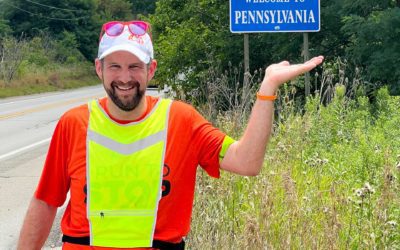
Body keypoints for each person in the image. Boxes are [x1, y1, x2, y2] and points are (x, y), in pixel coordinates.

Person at [17, 20, 323, 250]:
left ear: (151, 70)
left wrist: (267, 89)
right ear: (99, 68)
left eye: (135, 66)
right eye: (115, 66)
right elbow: (46, 201)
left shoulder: (180, 120)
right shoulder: (74, 123)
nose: (125, 78)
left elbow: (247, 162)